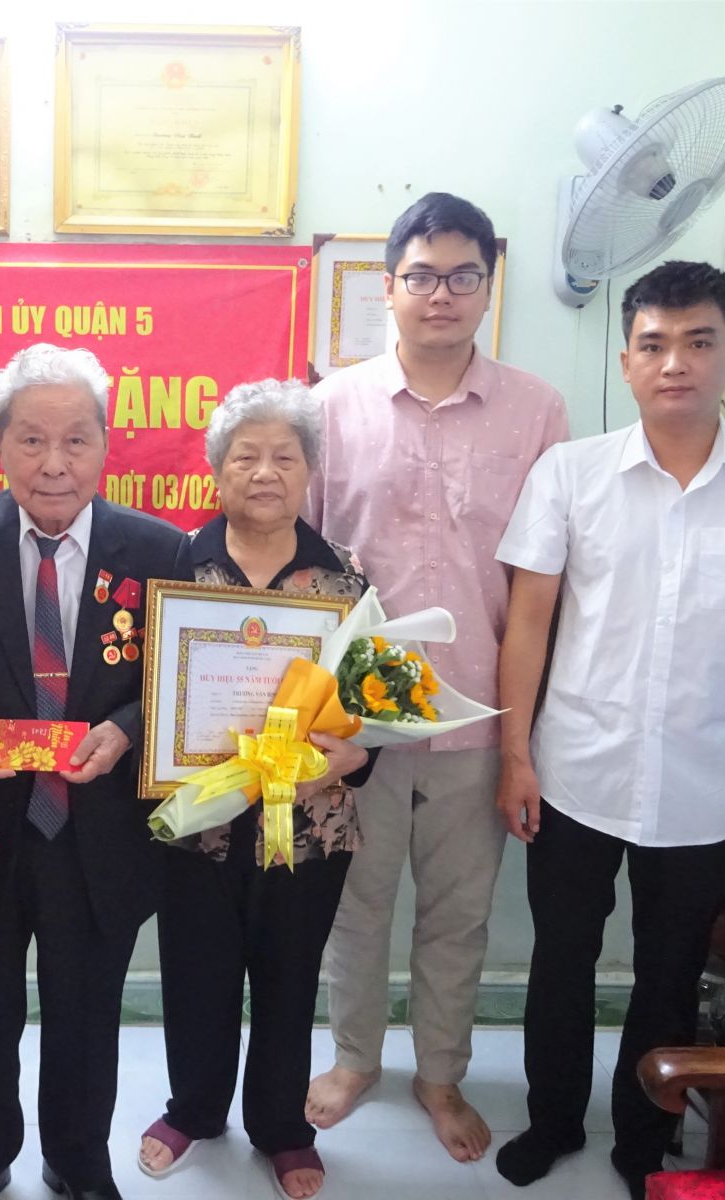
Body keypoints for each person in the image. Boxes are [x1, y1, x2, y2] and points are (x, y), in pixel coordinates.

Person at [491, 261, 725, 1199]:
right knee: (561, 959)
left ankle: (642, 1143)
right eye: (652, 344)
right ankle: (551, 1119)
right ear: (625, 362)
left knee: (670, 968)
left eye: (698, 342)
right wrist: (515, 756)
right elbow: (528, 623)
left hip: (707, 779)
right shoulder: (570, 474)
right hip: (574, 767)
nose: (675, 363)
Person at [304, 192, 569, 1161]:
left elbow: (544, 580)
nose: (442, 295)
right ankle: (353, 1060)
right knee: (354, 905)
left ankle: (442, 1075)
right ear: (389, 287)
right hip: (356, 721)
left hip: (477, 713)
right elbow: (305, 564)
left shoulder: (537, 411)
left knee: (458, 917)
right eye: (422, 276)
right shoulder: (331, 407)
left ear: (488, 287)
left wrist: (520, 739)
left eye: (463, 276)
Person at [0, 344, 189, 1200]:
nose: (54, 463)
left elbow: (175, 680)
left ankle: (78, 1161)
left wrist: (125, 731)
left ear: (105, 444)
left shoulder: (157, 547)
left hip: (98, 831)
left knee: (87, 1016)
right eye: (31, 440)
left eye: (75, 440)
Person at [136, 380, 373, 1200]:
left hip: (309, 825)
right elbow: (142, 689)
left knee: (288, 980)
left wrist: (352, 758)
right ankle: (193, 1110)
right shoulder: (174, 566)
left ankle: (281, 1127)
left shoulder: (345, 578)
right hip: (198, 821)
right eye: (245, 457)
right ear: (216, 469)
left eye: (284, 457)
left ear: (309, 470)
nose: (265, 472)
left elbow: (373, 706)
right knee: (195, 975)